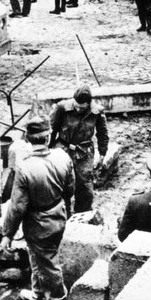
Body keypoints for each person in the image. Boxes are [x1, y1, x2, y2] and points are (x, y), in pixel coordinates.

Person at [0, 116, 74, 300]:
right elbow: (70, 189)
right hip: (59, 214)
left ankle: (58, 297)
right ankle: (38, 293)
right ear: (48, 137)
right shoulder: (63, 156)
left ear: (28, 139)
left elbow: (17, 207)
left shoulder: (25, 168)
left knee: (47, 263)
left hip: (38, 225)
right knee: (39, 257)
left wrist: (7, 234)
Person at [49, 84, 109, 213]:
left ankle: (82, 215)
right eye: (76, 106)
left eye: (81, 108)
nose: (78, 109)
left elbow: (102, 133)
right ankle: (64, 212)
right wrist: (48, 149)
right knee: (61, 182)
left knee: (85, 186)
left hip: (84, 151)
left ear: (89, 104)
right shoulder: (62, 107)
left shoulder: (97, 111)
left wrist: (102, 153)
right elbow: (52, 129)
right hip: (63, 148)